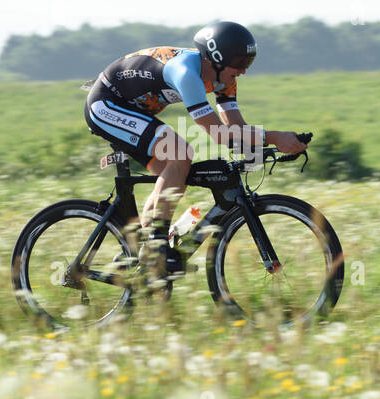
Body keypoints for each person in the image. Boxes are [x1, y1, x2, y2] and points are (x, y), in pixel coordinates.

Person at [82, 20, 308, 287]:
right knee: (180, 154)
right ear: (215, 58)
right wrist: (273, 136)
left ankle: (144, 258)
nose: (243, 71)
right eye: (239, 62)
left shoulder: (226, 79)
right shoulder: (186, 72)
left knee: (175, 172)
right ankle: (156, 247)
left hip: (136, 110)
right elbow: (217, 133)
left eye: (248, 62)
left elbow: (236, 130)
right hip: (106, 104)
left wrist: (265, 149)